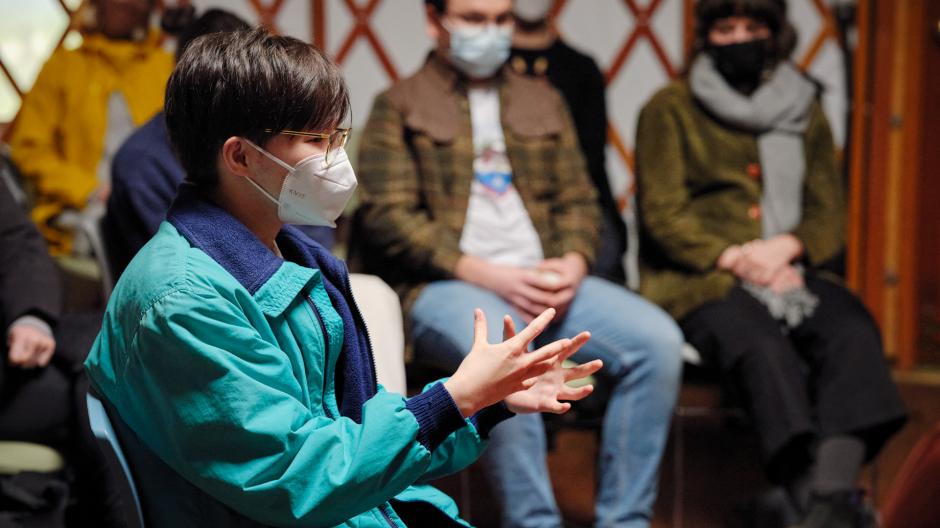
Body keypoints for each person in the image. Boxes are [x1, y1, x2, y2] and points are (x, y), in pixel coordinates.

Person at [84, 27, 602, 527]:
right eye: (314, 139)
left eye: (338, 137)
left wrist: (486, 401)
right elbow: (299, 476)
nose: (336, 160)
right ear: (240, 156)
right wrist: (457, 397)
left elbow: (350, 429)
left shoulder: (290, 257)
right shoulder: (182, 301)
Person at [354, 1, 683, 526]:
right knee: (508, 354)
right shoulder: (398, 104)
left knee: (657, 342)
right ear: (435, 22)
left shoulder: (544, 99)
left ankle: (626, 519)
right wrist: (487, 272)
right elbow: (388, 218)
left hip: (546, 278)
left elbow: (581, 198)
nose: (491, 32)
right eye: (474, 19)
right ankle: (533, 521)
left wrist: (574, 261)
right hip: (449, 284)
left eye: (502, 19)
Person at [633, 1, 907, 526]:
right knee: (758, 341)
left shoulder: (804, 107)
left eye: (753, 27)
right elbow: (663, 215)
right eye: (725, 27)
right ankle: (815, 500)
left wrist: (786, 248)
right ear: (705, 36)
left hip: (791, 270)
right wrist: (737, 257)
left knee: (850, 328)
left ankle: (820, 501)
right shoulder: (669, 108)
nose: (740, 38)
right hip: (701, 276)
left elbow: (829, 214)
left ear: (775, 33)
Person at [0, 176, 121, 526]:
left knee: (113, 348)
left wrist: (30, 316)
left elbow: (16, 240)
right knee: (103, 392)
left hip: (13, 343)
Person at [7, 0, 173, 255]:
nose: (126, 5)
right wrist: (89, 189)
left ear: (150, 8)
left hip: (157, 199)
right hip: (84, 207)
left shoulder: (165, 67)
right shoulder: (63, 67)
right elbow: (30, 150)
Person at [508, 0, 626, 282]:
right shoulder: (484, 68)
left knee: (604, 259)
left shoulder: (580, 69)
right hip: (507, 199)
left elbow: (593, 159)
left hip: (573, 196)